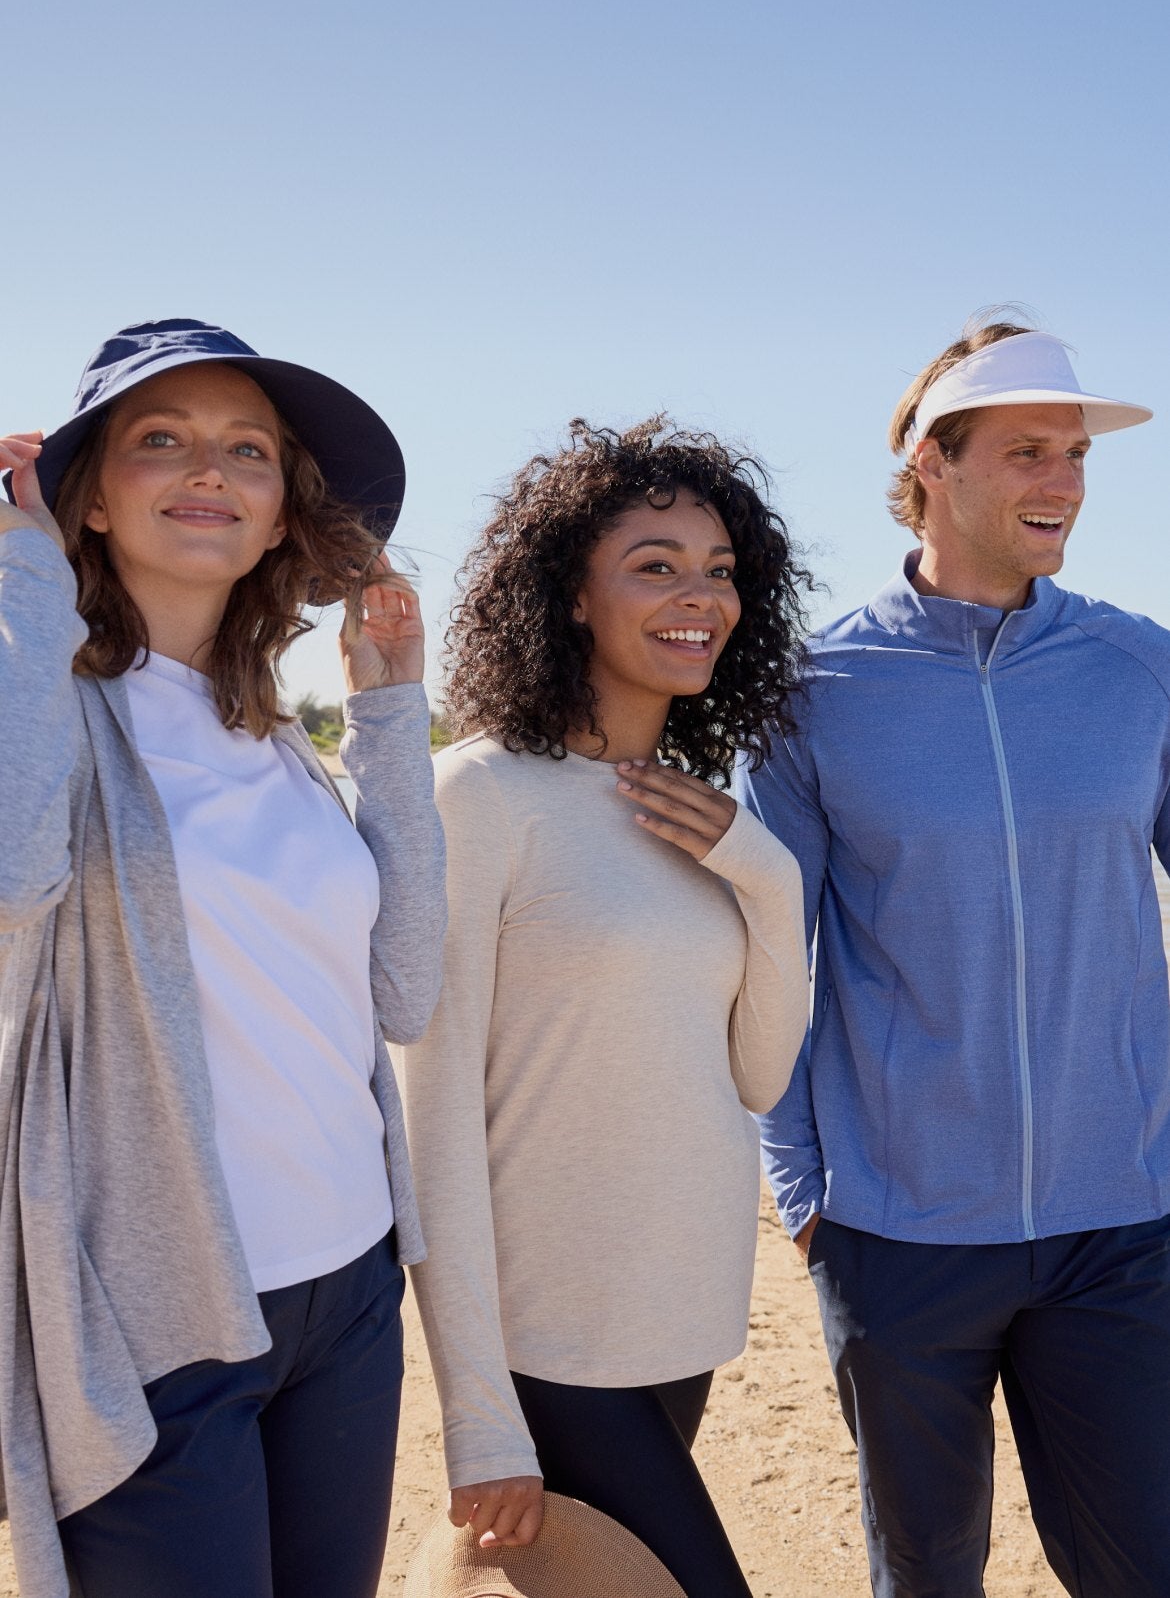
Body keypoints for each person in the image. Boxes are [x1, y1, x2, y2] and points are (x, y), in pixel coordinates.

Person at [0, 319, 446, 1598]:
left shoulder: (277, 738)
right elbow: (14, 872)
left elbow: (405, 988)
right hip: (162, 1315)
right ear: (85, 500)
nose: (210, 468)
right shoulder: (48, 702)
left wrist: (389, 717)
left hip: (350, 1293)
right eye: (159, 439)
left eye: (247, 450)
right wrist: (20, 572)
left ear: (275, 518)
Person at [739, 318, 1170, 1598]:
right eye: (1030, 451)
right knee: (925, 1573)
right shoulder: (813, 688)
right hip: (896, 1227)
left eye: (1078, 457)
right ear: (935, 460)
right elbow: (773, 951)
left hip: (1124, 1218)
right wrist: (802, 1188)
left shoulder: (1141, 669)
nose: (1065, 485)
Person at [400, 416, 811, 1598]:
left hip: (680, 1316)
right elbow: (432, 1124)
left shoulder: (706, 821)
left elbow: (758, 1077)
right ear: (570, 597)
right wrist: (479, 1419)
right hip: (546, 1339)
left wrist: (767, 879)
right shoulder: (476, 798)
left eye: (721, 569)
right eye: (656, 565)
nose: (702, 596)